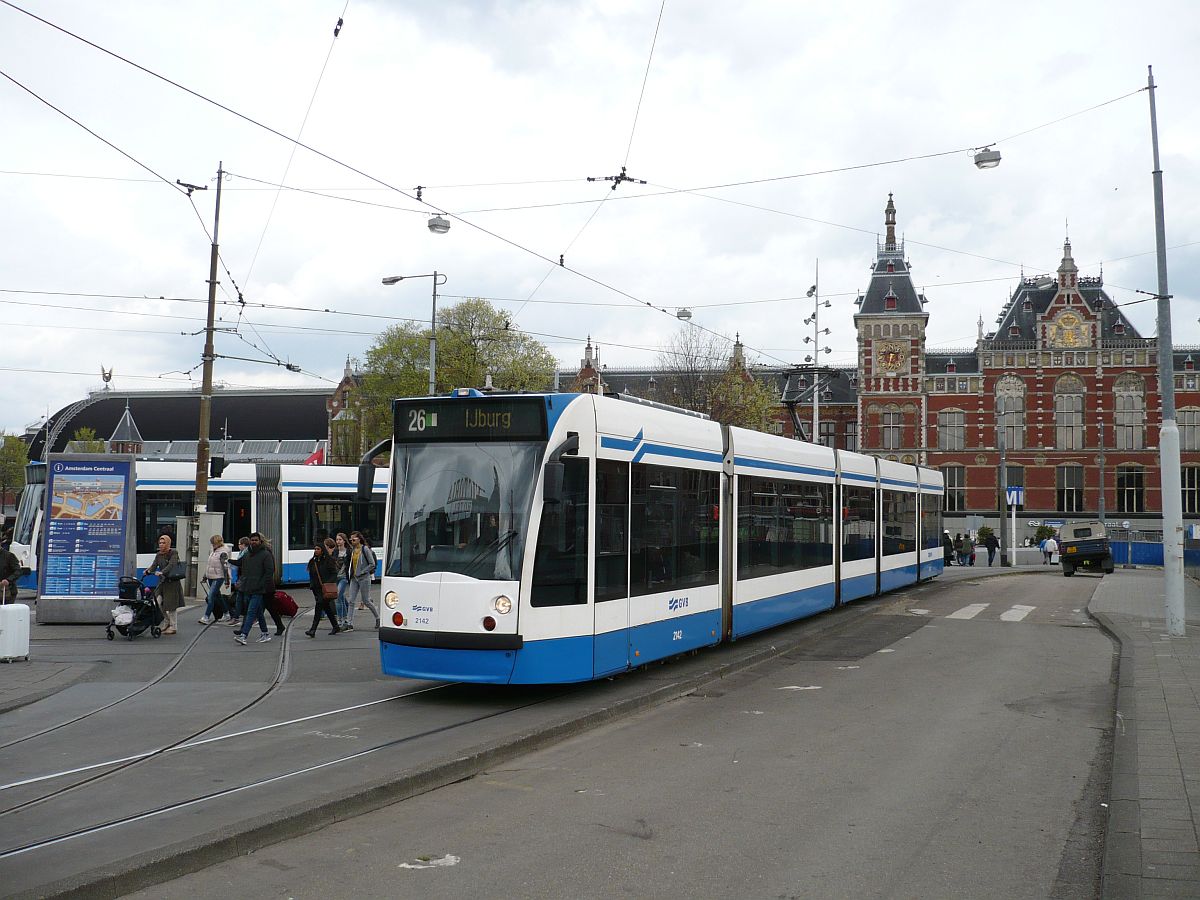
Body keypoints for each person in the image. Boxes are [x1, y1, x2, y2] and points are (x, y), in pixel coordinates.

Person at [229, 532, 276, 646]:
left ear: (260, 541)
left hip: (258, 588)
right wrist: (228, 560)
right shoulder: (247, 554)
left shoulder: (265, 554)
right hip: (247, 587)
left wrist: (262, 585)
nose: (254, 542)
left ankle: (244, 635)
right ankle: (265, 633)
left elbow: (270, 571)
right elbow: (240, 564)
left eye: (256, 540)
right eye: (252, 540)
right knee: (258, 611)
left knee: (250, 612)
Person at [145, 533, 184, 635]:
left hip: (172, 583)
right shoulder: (158, 554)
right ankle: (166, 621)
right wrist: (148, 571)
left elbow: (172, 565)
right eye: (160, 543)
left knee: (171, 605)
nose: (161, 545)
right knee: (157, 603)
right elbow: (154, 566)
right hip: (162, 582)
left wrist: (162, 572)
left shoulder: (173, 553)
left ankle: (173, 626)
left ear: (168, 543)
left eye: (163, 543)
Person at [304, 540, 341, 637]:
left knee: (319, 607)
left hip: (325, 589)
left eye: (318, 549)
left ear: (322, 550)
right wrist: (312, 587)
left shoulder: (329, 560)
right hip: (316, 589)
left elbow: (334, 574)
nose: (316, 551)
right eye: (315, 549)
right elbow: (312, 576)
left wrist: (327, 583)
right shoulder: (313, 561)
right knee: (327, 608)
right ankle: (336, 626)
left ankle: (313, 629)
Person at [344, 530, 379, 631]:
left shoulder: (365, 549)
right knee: (351, 600)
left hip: (364, 578)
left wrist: (362, 571)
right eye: (351, 539)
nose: (352, 540)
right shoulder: (352, 550)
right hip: (354, 578)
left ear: (359, 539)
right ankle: (349, 623)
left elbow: (372, 564)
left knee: (366, 601)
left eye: (354, 538)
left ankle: (378, 618)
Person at [199, 534, 232, 625]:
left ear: (218, 542)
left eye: (213, 543)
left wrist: (227, 581)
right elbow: (209, 565)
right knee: (218, 596)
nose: (212, 544)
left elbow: (225, 567)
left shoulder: (223, 552)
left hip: (218, 577)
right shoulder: (214, 551)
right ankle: (226, 614)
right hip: (211, 576)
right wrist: (205, 576)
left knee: (211, 596)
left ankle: (206, 616)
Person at [332, 532, 351, 629]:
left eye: (340, 539)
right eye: (337, 540)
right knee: (341, 598)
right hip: (336, 578)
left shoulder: (349, 551)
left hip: (344, 577)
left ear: (344, 540)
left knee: (338, 597)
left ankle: (340, 620)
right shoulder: (335, 551)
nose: (338, 542)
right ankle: (345, 619)